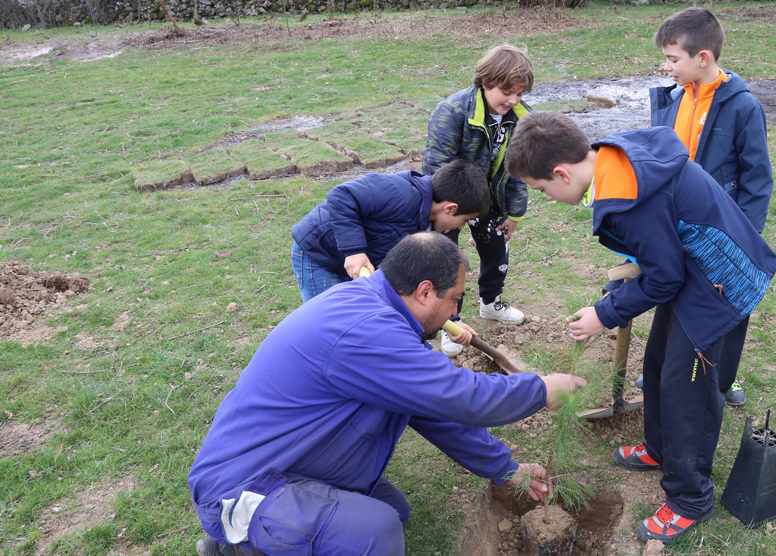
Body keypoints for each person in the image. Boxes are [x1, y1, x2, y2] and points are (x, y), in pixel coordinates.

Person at [190, 233, 587, 556]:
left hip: (293, 461)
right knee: (375, 534)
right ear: (425, 291)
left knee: (392, 511)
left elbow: (435, 410)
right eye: (454, 299)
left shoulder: (382, 316)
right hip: (245, 485)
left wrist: (505, 469)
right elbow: (460, 395)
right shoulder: (366, 331)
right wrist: (540, 389)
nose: (454, 314)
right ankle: (238, 545)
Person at [504, 112, 776, 544]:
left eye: (541, 190)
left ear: (561, 173)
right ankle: (659, 449)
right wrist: (619, 289)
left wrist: (605, 314)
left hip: (720, 284)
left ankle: (690, 499)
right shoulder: (612, 159)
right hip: (694, 274)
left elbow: (665, 277)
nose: (546, 198)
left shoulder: (629, 197)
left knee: (686, 392)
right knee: (658, 364)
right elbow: (658, 248)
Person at [647, 7, 774, 407]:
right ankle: (665, 367)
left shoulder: (742, 107)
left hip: (722, 231)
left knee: (724, 302)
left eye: (673, 59)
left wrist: (743, 238)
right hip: (676, 224)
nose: (666, 67)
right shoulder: (672, 99)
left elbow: (757, 179)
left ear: (702, 57)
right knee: (674, 296)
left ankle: (722, 377)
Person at [422, 44, 533, 355]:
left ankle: (491, 302)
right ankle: (449, 321)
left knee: (497, 250)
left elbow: (518, 170)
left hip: (490, 200)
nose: (513, 101)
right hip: (451, 201)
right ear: (485, 81)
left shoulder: (521, 118)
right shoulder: (452, 111)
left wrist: (514, 213)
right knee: (445, 259)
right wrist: (451, 210)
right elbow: (438, 167)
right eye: (506, 92)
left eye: (520, 94)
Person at [290, 160, 489, 305]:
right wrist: (354, 251)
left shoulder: (426, 224)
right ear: (450, 208)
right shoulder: (402, 194)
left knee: (358, 317)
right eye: (464, 221)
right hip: (320, 255)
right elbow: (342, 195)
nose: (460, 227)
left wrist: (451, 318)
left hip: (355, 265)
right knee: (331, 320)